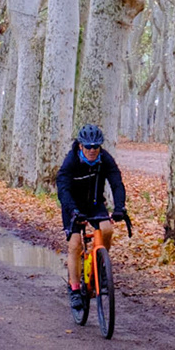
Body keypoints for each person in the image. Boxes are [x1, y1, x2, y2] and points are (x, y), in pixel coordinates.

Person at [54, 124, 126, 311]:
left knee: (107, 230)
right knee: (75, 244)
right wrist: (73, 211)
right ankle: (75, 288)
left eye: (96, 146)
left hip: (95, 204)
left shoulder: (105, 159)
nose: (92, 150)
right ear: (80, 146)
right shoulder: (71, 161)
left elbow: (117, 182)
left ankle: (100, 266)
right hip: (73, 206)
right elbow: (63, 188)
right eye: (88, 146)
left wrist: (120, 207)